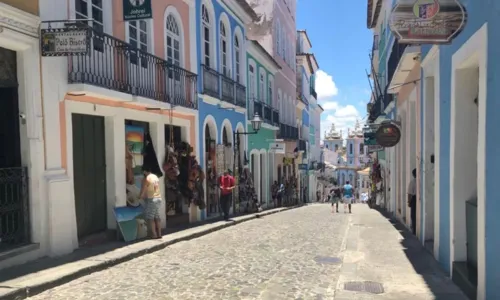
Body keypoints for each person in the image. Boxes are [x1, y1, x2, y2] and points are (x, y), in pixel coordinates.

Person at [140, 166, 162, 239]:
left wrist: (141, 196)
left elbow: (144, 189)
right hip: (158, 198)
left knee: (150, 218)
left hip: (152, 199)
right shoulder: (155, 176)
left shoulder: (147, 178)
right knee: (157, 216)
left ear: (144, 171)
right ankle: (159, 233)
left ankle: (153, 234)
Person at [407, 168, 417, 235]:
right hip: (416, 198)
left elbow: (409, 193)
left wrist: (409, 202)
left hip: (414, 199)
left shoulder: (412, 182)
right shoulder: (420, 181)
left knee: (413, 215)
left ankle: (414, 230)